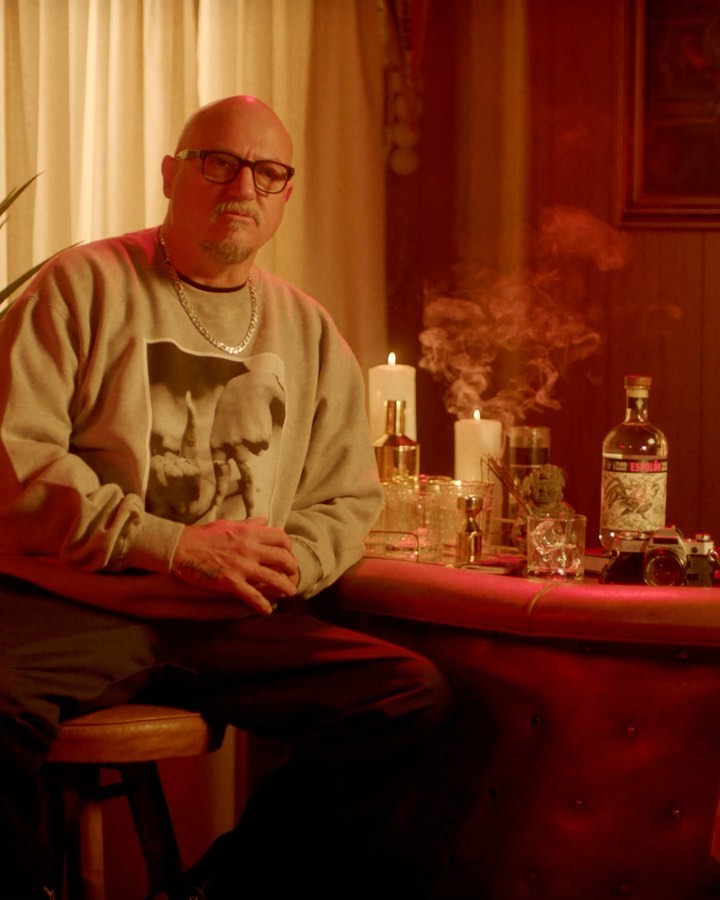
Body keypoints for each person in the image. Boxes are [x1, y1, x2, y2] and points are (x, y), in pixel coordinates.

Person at [0, 95, 453, 899]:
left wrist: (287, 564)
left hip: (232, 619)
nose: (244, 186)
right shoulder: (81, 285)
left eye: (267, 172)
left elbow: (345, 497)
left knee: (406, 697)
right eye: (220, 163)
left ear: (285, 195)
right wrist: (172, 546)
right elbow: (18, 463)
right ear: (170, 175)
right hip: (79, 602)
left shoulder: (309, 329)